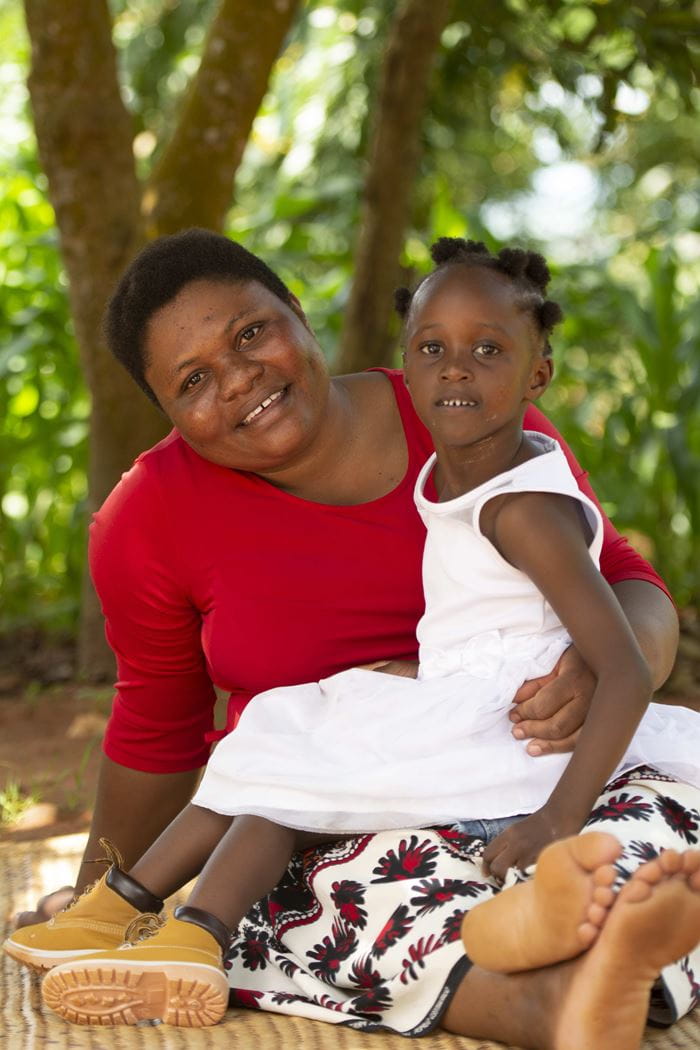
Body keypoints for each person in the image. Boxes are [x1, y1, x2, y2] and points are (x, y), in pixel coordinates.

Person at [7, 230, 698, 1046]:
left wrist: (601, 661)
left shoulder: (461, 404)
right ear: (163, 411)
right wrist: (101, 899)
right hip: (324, 816)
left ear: (297, 313)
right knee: (319, 894)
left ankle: (580, 935)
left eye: (251, 334)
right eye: (195, 381)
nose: (240, 380)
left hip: (522, 768)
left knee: (659, 823)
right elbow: (158, 729)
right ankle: (563, 995)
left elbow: (622, 580)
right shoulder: (147, 520)